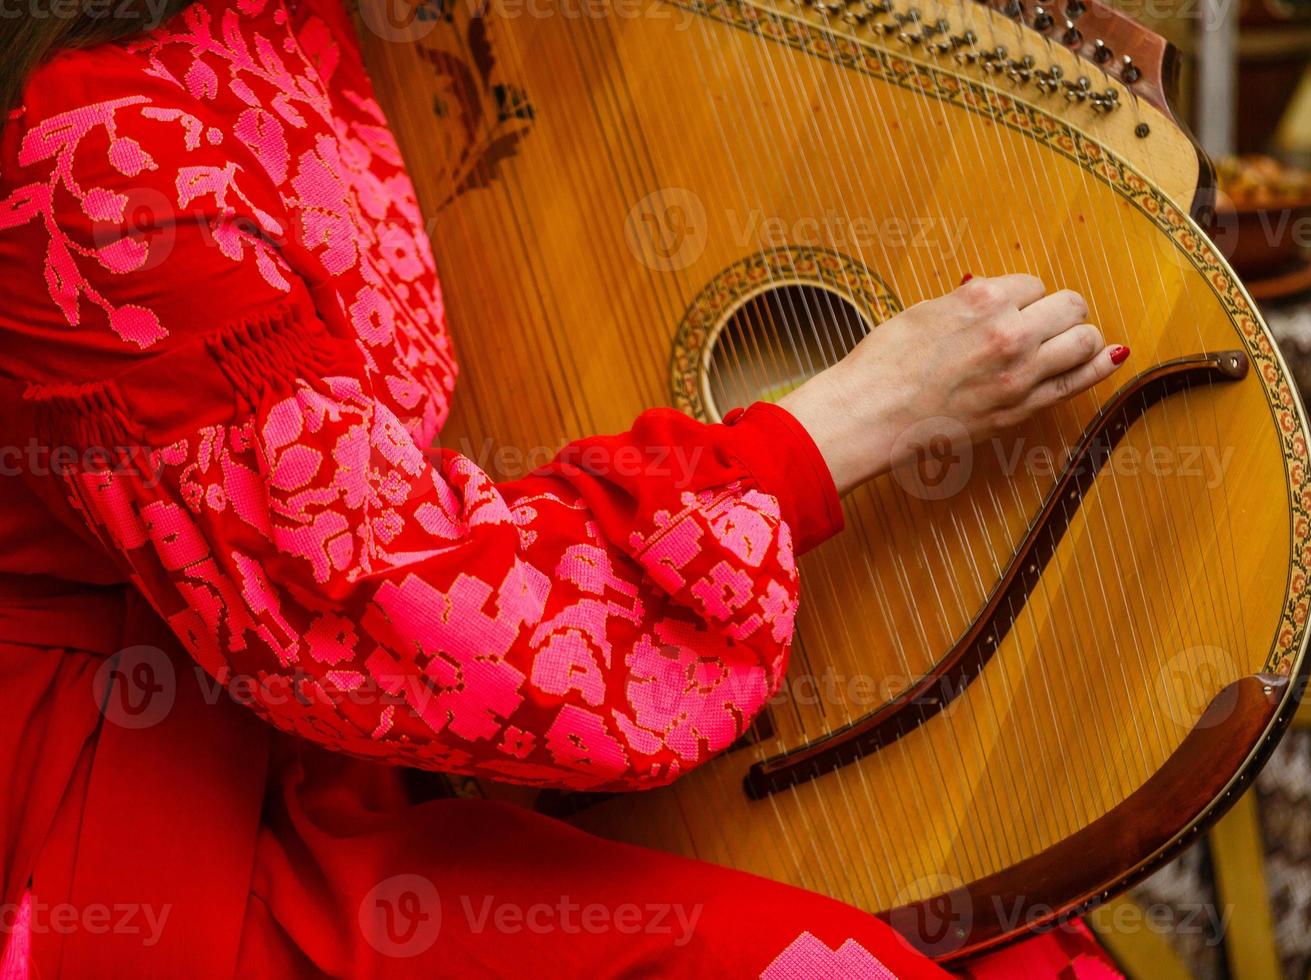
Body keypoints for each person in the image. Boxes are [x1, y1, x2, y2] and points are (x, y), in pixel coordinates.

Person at [0, 0, 1131, 974]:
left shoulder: (306, 31)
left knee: (1020, 940)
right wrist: (848, 418)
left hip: (378, 728)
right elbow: (394, 607)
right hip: (180, 812)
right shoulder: (101, 156)